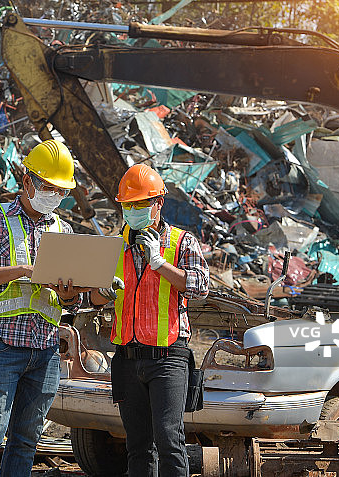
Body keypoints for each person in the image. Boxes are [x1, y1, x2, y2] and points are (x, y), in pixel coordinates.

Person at [0, 139, 91, 477]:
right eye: (48, 187)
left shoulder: (63, 229)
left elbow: (70, 302)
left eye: (61, 192)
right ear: (27, 180)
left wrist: (69, 294)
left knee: (27, 439)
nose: (54, 196)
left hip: (45, 348)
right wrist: (22, 272)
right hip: (2, 345)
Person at [92, 163, 209, 477]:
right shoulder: (116, 246)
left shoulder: (182, 243)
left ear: (159, 203)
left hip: (168, 357)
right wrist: (104, 292)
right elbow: (92, 299)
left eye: (141, 204)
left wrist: (160, 264)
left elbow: (199, 287)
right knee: (138, 446)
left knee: (169, 439)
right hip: (128, 358)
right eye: (128, 205)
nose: (133, 210)